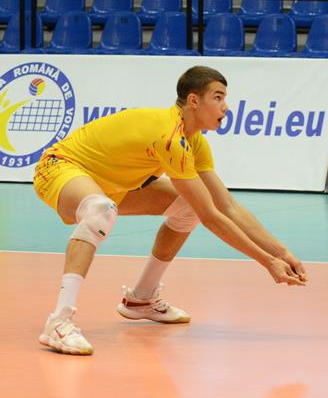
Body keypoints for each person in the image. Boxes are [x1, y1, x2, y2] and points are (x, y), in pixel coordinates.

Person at [32, 65, 308, 356]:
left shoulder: (195, 143)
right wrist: (267, 262)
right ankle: (59, 322)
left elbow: (226, 206)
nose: (226, 107)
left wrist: (282, 253)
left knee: (187, 207)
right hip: (60, 168)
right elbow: (211, 217)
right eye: (218, 97)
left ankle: (141, 298)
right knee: (100, 210)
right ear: (193, 101)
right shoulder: (169, 137)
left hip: (111, 186)